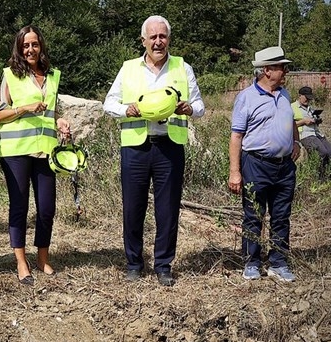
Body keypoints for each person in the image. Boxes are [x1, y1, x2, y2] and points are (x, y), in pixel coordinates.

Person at [103, 15, 205, 287]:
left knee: (168, 210)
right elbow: (108, 103)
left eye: (163, 37)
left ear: (169, 39)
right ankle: (134, 263)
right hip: (135, 147)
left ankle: (163, 265)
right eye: (153, 37)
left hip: (169, 147)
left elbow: (200, 106)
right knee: (133, 208)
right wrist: (127, 109)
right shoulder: (128, 69)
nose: (158, 42)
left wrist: (189, 108)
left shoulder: (183, 68)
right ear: (143, 40)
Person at [0, 25, 71, 285]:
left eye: (34, 44)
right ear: (19, 48)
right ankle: (21, 261)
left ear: (41, 46)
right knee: (20, 206)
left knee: (47, 208)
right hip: (16, 151)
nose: (30, 49)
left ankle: (42, 258)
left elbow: (51, 111)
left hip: (45, 151)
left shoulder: (53, 76)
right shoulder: (9, 75)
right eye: (25, 45)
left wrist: (59, 122)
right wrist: (24, 108)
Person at [229, 46, 300, 282]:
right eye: (282, 67)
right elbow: (236, 136)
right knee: (253, 215)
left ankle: (278, 263)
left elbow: (291, 120)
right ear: (267, 70)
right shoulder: (246, 98)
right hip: (256, 164)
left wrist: (296, 142)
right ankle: (252, 262)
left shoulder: (285, 94)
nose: (285, 72)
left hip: (284, 167)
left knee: (281, 215)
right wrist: (235, 172)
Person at [292, 86, 330, 182]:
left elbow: (313, 119)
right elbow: (289, 124)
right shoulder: (292, 107)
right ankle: (320, 177)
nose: (308, 100)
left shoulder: (309, 108)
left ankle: (327, 174)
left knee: (329, 152)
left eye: (309, 98)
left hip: (316, 133)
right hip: (304, 134)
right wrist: (304, 121)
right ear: (300, 96)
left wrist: (317, 120)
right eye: (306, 98)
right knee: (322, 152)